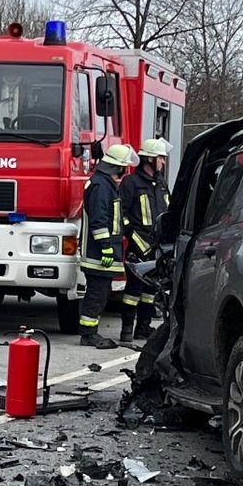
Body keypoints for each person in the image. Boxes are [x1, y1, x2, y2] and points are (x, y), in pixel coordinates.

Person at [76, 143, 134, 348]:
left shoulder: (106, 184)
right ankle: (88, 334)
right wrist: (106, 247)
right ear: (117, 166)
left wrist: (128, 228)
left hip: (104, 250)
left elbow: (114, 217)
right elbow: (99, 220)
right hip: (97, 253)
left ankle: (91, 332)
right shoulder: (100, 186)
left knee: (102, 292)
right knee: (96, 293)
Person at [117, 137, 173, 345]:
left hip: (158, 245)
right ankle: (126, 331)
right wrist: (138, 242)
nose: (163, 162)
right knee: (133, 291)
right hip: (138, 243)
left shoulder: (160, 183)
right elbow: (122, 216)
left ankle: (143, 328)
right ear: (149, 159)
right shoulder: (131, 183)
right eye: (161, 158)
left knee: (151, 291)